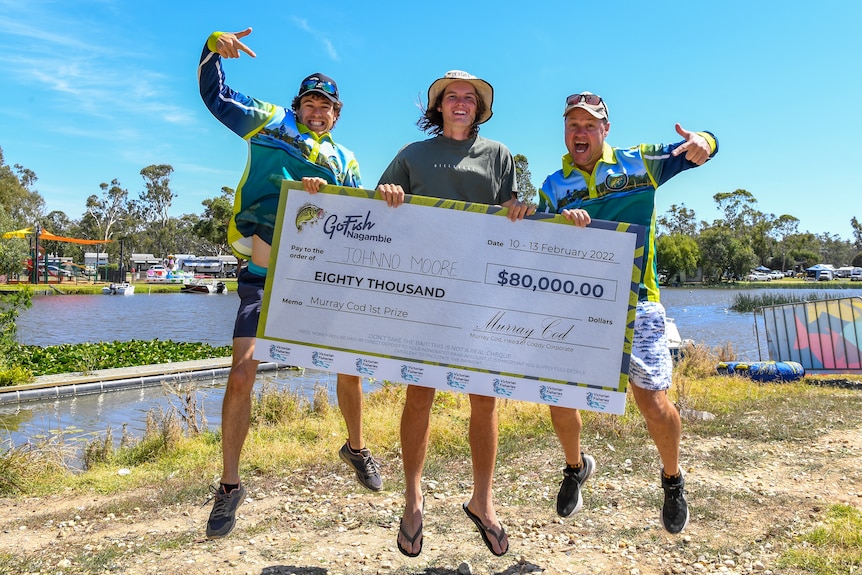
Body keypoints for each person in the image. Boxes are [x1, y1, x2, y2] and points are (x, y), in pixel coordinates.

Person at [197, 27, 382, 539]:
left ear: (337, 114)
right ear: (297, 105)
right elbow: (215, 95)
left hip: (317, 278)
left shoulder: (347, 162)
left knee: (350, 368)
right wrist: (213, 48)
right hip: (261, 275)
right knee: (241, 374)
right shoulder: (269, 122)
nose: (317, 111)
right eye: (310, 103)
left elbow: (354, 222)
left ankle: (357, 447)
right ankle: (230, 486)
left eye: (327, 106)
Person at [536, 91, 718, 534]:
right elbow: (539, 247)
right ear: (565, 130)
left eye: (590, 124)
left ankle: (672, 479)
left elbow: (703, 147)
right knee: (560, 396)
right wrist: (550, 222)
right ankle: (575, 467)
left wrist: (705, 143)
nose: (580, 132)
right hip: (578, 302)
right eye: (573, 124)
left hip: (640, 302)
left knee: (652, 402)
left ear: (605, 130)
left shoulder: (639, 162)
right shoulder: (552, 186)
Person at [376, 70, 533, 557]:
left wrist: (519, 209)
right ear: (438, 107)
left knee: (485, 400)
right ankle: (413, 499)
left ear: (479, 108)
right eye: (452, 97)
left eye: (469, 98)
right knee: (419, 395)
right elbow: (377, 212)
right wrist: (388, 198)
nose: (461, 103)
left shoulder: (500, 155)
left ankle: (482, 502)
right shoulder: (410, 155)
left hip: (481, 296)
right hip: (422, 295)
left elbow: (510, 210)